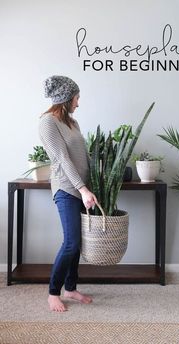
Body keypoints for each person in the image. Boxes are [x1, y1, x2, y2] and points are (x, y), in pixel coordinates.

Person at [39, 75, 97, 312]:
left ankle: (71, 288)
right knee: (71, 243)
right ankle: (53, 292)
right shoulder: (47, 122)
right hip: (66, 188)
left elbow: (83, 156)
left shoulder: (73, 123)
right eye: (76, 97)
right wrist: (82, 189)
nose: (78, 102)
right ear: (65, 98)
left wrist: (92, 188)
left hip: (82, 190)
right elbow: (61, 159)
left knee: (78, 243)